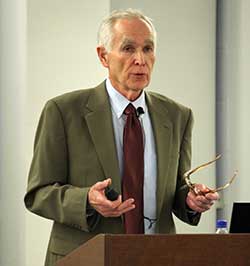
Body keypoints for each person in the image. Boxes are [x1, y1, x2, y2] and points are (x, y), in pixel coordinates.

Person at [24, 9, 219, 266]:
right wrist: (87, 200)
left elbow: (175, 191)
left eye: (148, 49)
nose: (140, 59)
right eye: (128, 48)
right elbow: (38, 193)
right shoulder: (63, 111)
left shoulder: (177, 115)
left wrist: (191, 199)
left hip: (157, 257)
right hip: (84, 258)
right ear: (103, 56)